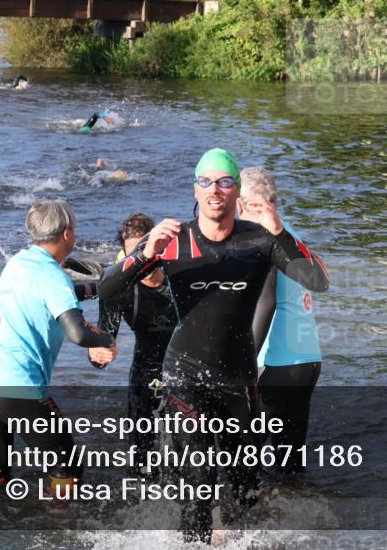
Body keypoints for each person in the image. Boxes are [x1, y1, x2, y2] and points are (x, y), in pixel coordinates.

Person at [97, 148, 330, 543]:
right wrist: (143, 253)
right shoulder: (174, 241)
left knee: (244, 485)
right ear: (196, 188)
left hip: (237, 380)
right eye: (206, 181)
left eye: (224, 181)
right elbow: (106, 287)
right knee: (199, 479)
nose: (214, 189)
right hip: (185, 375)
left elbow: (317, 280)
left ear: (236, 192)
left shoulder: (259, 242)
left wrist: (281, 232)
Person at [0, 199, 116, 495]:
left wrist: (97, 289)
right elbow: (77, 333)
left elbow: (52, 294)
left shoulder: (18, 262)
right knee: (68, 468)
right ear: (66, 234)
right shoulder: (53, 276)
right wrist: (106, 340)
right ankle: (60, 530)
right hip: (19, 391)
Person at [239, 168, 322, 478]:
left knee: (241, 457)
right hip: (308, 361)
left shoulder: (264, 240)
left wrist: (244, 368)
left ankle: (235, 523)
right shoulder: (291, 235)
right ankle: (297, 519)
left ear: (251, 203)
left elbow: (267, 301)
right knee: (289, 462)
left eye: (238, 201)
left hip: (276, 364)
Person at [78, 214, 178, 462]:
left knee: (189, 457)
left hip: (184, 373)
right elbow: (103, 345)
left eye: (144, 253)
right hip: (144, 373)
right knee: (141, 462)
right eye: (133, 257)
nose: (139, 263)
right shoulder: (120, 291)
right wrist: (97, 353)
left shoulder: (181, 279)